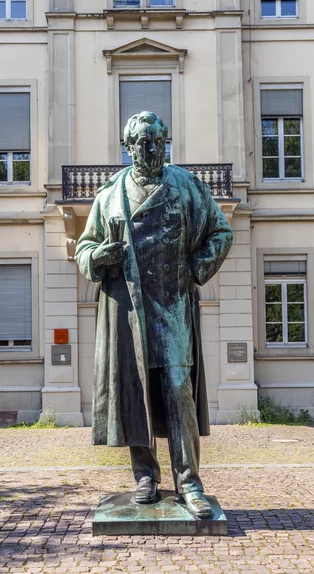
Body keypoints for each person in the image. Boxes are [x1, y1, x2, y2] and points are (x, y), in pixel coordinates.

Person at [75, 111, 233, 518]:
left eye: (156, 142)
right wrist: (100, 256)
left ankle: (190, 483)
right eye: (141, 142)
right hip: (128, 308)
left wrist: (195, 271)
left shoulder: (185, 185)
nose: (149, 149)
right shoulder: (108, 195)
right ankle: (145, 475)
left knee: (178, 391)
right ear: (127, 147)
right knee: (135, 390)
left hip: (172, 304)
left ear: (165, 144)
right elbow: (83, 249)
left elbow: (221, 232)